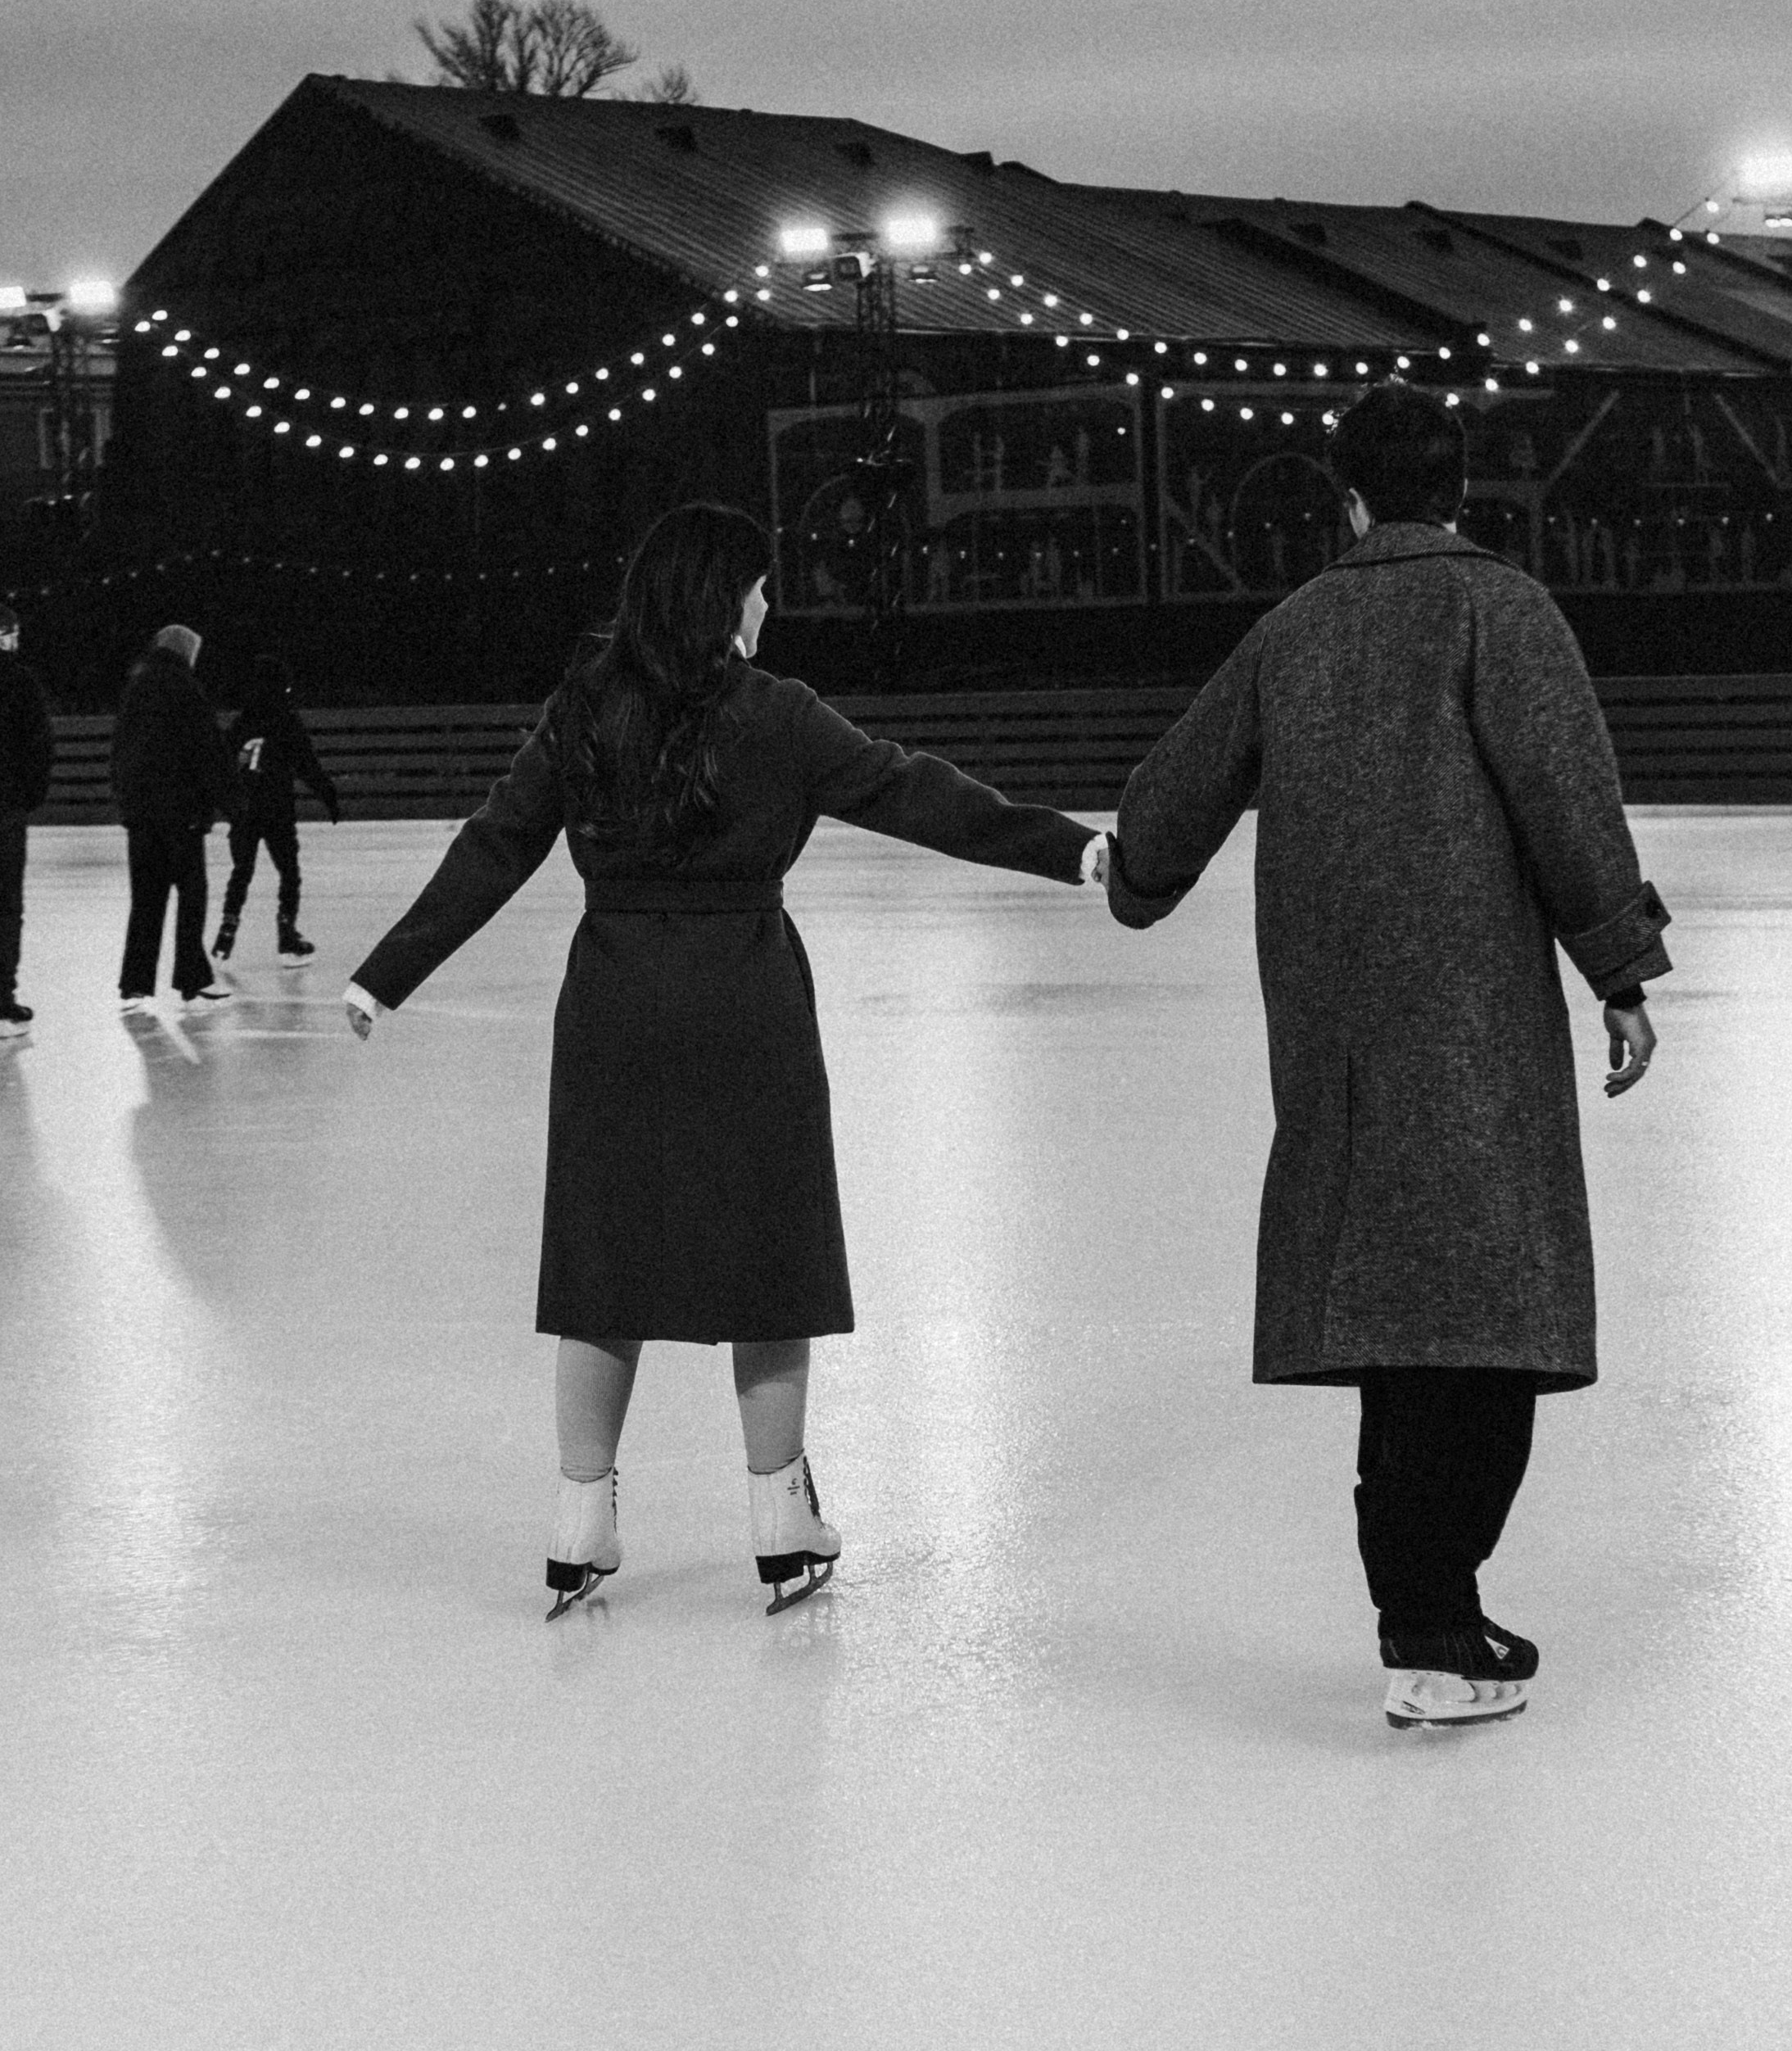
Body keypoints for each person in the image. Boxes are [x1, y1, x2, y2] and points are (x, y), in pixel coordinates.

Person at [345, 503, 1109, 1621]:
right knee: (769, 1252)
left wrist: (385, 972)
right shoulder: (779, 716)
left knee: (604, 1260)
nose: (768, 608)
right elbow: (916, 793)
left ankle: (578, 1520)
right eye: (759, 588)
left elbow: (498, 840)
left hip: (612, 1003)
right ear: (723, 596)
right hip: (744, 998)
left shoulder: (585, 708)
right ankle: (779, 1520)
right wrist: (1073, 848)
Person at [1101, 384, 1671, 1735]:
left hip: (1337, 1034)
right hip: (1472, 1030)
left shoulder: (1292, 628)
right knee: (1485, 1328)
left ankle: (1430, 1612)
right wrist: (1623, 972)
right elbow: (1567, 799)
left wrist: (1135, 872)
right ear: (1458, 490)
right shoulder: (1503, 610)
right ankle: (1428, 1621)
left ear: (1347, 499)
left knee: (1407, 1333)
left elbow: (1176, 790)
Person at [111, 623, 242, 1012]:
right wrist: (234, 804)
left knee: (146, 900)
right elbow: (207, 753)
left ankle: (134, 984)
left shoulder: (135, 688)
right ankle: (192, 978)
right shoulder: (185, 689)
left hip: (141, 816)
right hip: (180, 813)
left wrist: (127, 804)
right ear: (187, 653)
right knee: (191, 895)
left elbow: (120, 752)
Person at [213, 652, 342, 963]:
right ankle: (287, 937)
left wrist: (225, 804)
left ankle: (225, 935)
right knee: (289, 873)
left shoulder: (242, 722)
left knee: (241, 871)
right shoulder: (287, 720)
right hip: (277, 810)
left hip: (244, 810)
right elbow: (306, 764)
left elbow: (221, 763)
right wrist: (328, 795)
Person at [0, 599, 55, 1034]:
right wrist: (27, 797)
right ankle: (1, 1000)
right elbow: (39, 746)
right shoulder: (20, 682)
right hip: (5, 810)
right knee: (5, 906)